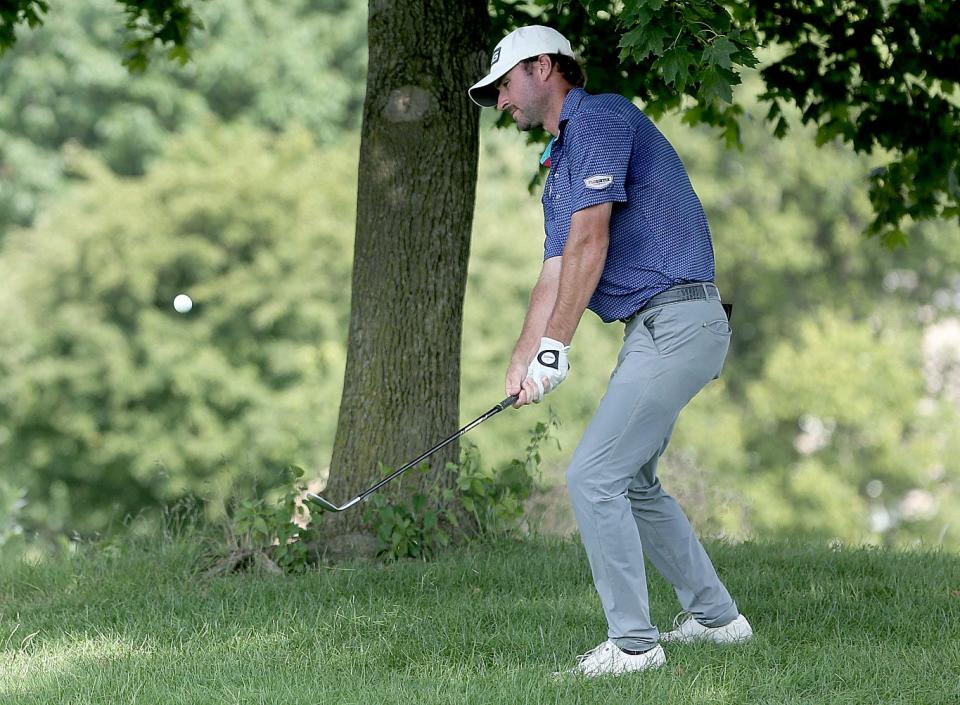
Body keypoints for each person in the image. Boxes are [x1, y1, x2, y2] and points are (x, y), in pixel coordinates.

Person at [467, 25, 753, 678]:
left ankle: (633, 645)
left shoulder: (601, 116)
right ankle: (718, 619)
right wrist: (524, 356)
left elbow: (592, 241)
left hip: (681, 321)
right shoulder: (560, 165)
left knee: (593, 476)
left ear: (544, 68)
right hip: (655, 329)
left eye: (505, 84)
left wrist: (555, 349)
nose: (502, 102)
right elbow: (554, 269)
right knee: (635, 480)